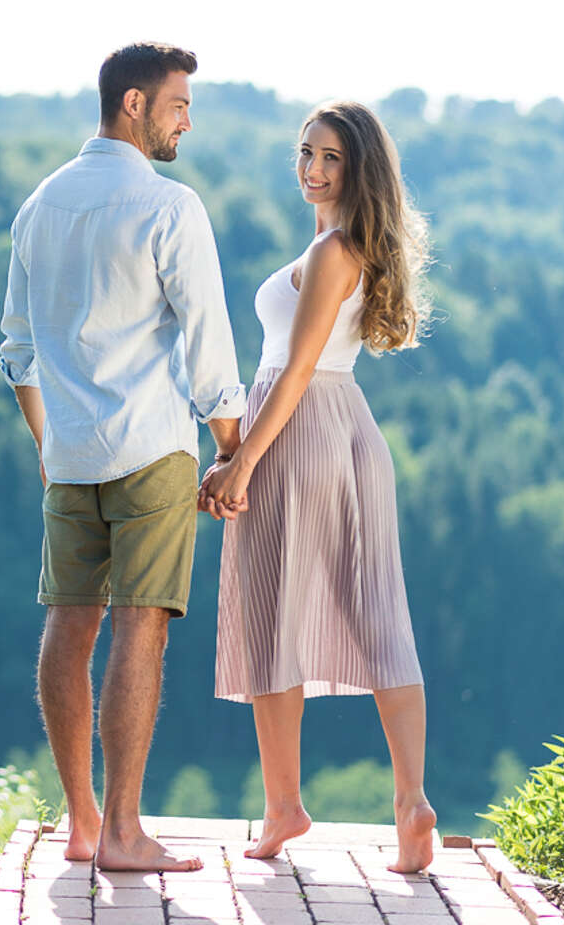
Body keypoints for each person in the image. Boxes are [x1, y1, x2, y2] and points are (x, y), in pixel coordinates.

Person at [0, 42, 246, 871]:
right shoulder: (170, 207)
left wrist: (49, 440)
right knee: (142, 629)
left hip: (68, 456)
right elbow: (209, 345)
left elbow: (17, 350)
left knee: (69, 626)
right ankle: (125, 834)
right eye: (179, 104)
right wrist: (231, 451)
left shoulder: (40, 205)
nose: (187, 121)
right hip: (150, 451)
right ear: (133, 103)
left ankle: (81, 824)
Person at [200, 100, 435, 872]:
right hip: (350, 432)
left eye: (331, 157)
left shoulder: (336, 250)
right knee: (377, 616)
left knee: (273, 611)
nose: (313, 168)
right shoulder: (350, 246)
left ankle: (283, 809)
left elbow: (295, 369)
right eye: (306, 153)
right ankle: (410, 804)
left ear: (358, 167)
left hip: (300, 431)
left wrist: (243, 461)